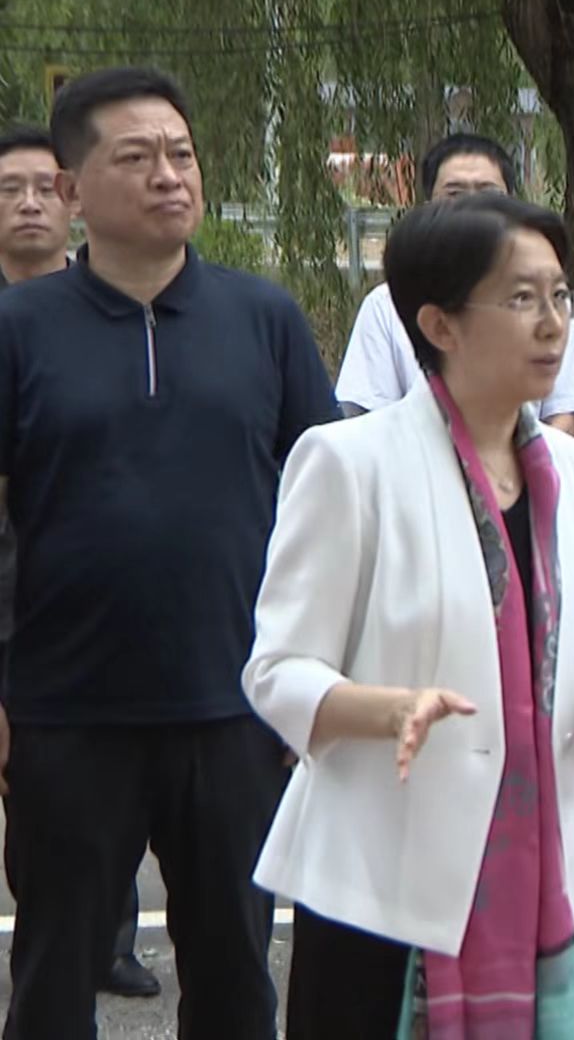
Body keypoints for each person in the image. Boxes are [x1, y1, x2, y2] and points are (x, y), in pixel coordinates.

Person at [244, 191, 574, 1039]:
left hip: (532, 877)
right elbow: (276, 671)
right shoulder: (350, 463)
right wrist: (388, 708)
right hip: (382, 887)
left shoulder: (572, 473)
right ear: (440, 325)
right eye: (522, 298)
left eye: (561, 295)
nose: (553, 324)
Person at [0, 66, 338, 1039]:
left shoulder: (263, 320)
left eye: (181, 155)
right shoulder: (18, 330)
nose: (168, 176)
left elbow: (324, 511)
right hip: (65, 714)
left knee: (235, 979)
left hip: (235, 710)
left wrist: (311, 681)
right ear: (72, 189)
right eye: (137, 157)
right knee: (53, 979)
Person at [0, 124, 163, 1003]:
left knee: (115, 778)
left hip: (102, 603)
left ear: (70, 199)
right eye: (8, 189)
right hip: (13, 597)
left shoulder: (122, 311)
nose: (28, 204)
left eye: (42, 187)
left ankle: (112, 940)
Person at [334, 132, 574, 432]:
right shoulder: (386, 305)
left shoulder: (551, 303)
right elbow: (369, 418)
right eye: (455, 195)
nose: (473, 210)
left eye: (489, 196)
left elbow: (563, 411)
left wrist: (533, 460)